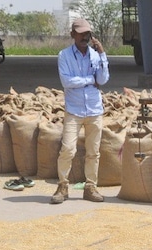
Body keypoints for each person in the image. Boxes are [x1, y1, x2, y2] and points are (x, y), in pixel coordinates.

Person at [51, 17, 109, 205]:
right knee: (68, 149)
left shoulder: (95, 55)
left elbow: (103, 79)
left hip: (94, 109)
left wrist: (103, 55)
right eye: (81, 34)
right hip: (74, 110)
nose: (85, 37)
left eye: (87, 34)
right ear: (73, 35)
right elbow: (67, 81)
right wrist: (90, 80)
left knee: (93, 152)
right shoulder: (64, 55)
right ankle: (62, 186)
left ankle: (91, 187)